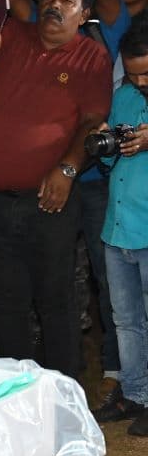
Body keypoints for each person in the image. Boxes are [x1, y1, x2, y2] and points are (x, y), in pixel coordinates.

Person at [0, 0, 112, 378]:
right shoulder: (16, 35)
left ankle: (64, 396)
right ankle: (18, 397)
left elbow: (92, 121)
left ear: (84, 14)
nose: (55, 4)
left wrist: (67, 170)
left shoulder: (90, 56)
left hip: (50, 199)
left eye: (68, 0)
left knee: (55, 301)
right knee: (8, 301)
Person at [92, 23, 148, 434]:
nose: (140, 81)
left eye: (147, 73)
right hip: (118, 224)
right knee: (125, 319)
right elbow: (112, 157)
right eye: (132, 73)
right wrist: (105, 142)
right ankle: (134, 393)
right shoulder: (123, 96)